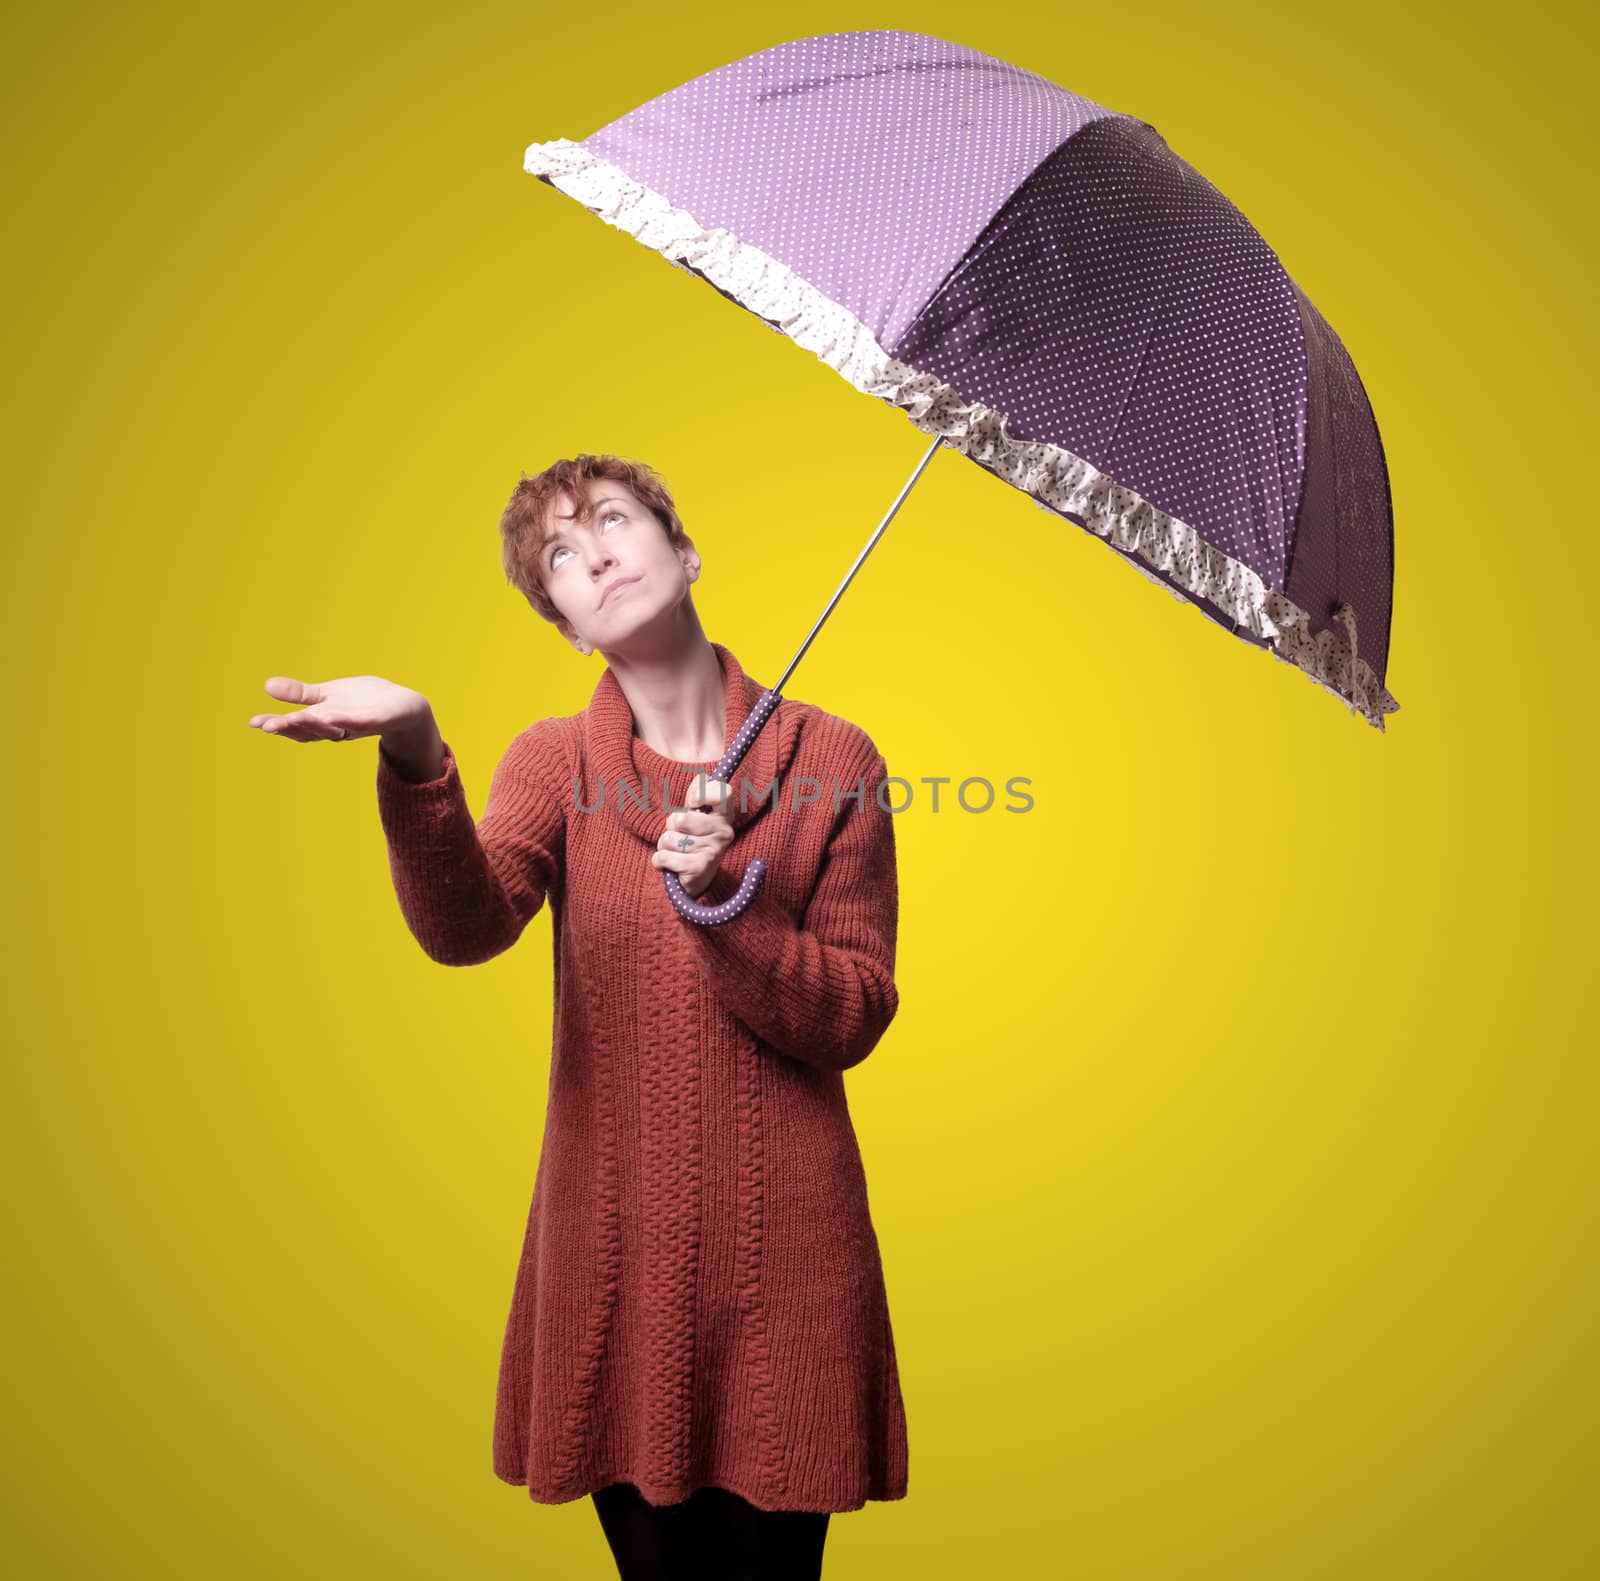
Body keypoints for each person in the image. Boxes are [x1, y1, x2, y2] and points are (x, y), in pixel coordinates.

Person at [246, 454, 907, 1578]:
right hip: (613, 1267)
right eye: (559, 553)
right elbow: (466, 925)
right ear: (562, 622)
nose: (593, 552)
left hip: (788, 1273)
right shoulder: (553, 764)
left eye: (612, 520)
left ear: (683, 551)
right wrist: (415, 751)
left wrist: (722, 908)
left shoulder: (833, 760)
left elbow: (852, 1012)